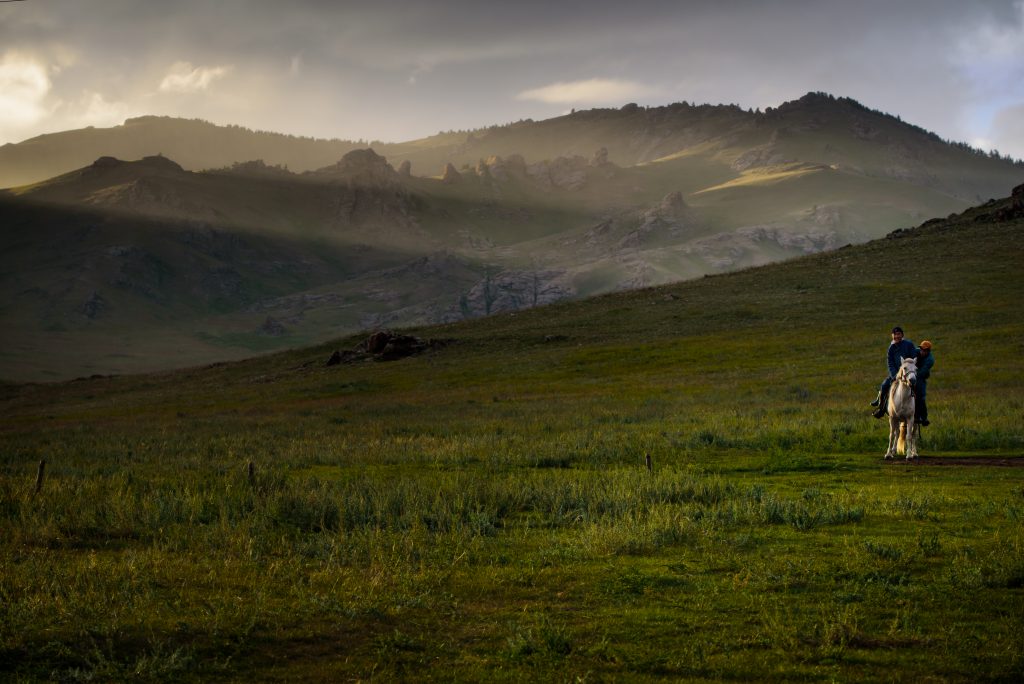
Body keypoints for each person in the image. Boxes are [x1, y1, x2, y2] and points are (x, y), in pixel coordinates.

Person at [872, 326, 916, 418]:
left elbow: (913, 358)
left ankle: (918, 413)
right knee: (884, 386)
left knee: (919, 390)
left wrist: (908, 371)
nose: (897, 336)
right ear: (892, 336)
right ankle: (881, 408)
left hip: (908, 374)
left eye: (898, 334)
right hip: (895, 375)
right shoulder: (891, 348)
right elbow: (890, 363)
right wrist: (895, 375)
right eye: (895, 334)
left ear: (902, 335)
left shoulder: (909, 345)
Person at [914, 341, 934, 426]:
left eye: (925, 350)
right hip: (910, 373)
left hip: (920, 377)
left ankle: (923, 417)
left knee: (920, 395)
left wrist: (913, 376)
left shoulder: (930, 360)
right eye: (921, 349)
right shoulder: (915, 351)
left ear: (928, 351)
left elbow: (922, 371)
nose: (922, 351)